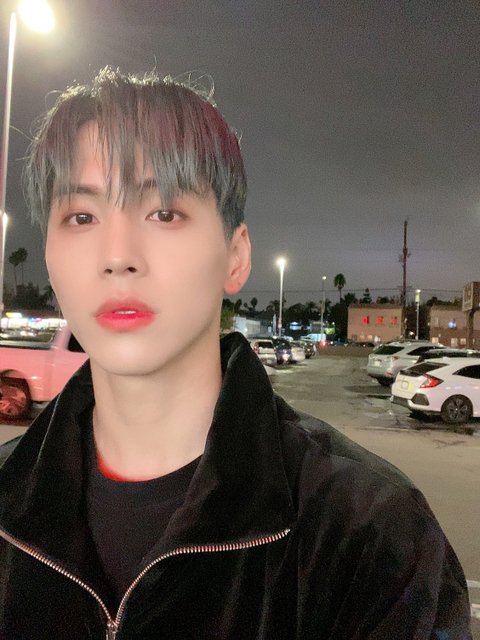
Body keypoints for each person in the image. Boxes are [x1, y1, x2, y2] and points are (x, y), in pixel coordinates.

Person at [0, 67, 471, 639]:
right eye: (82, 217)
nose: (117, 255)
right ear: (50, 256)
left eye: (164, 212)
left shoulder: (370, 534)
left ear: (236, 255)